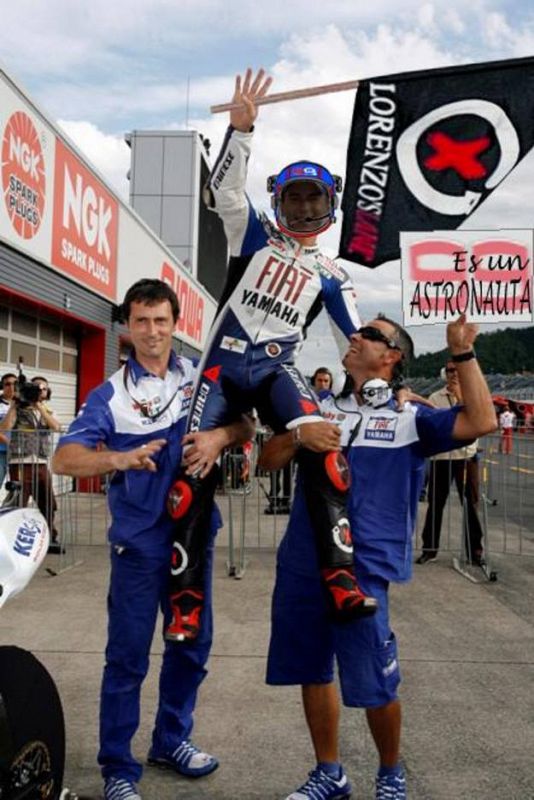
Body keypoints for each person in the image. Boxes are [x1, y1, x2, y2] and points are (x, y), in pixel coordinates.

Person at [165, 68, 377, 643]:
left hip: (277, 368)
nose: (305, 206)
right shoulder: (254, 234)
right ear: (279, 199)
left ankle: (341, 578)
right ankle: (183, 603)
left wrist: (386, 383)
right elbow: (224, 194)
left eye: (314, 197)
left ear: (330, 202)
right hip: (221, 366)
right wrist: (244, 131)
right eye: (294, 196)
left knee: (327, 450)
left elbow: (355, 345)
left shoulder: (334, 274)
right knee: (191, 469)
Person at [260, 313, 497, 800]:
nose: (355, 336)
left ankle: (390, 774)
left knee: (375, 679)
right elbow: (267, 459)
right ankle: (330, 773)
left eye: (368, 335)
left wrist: (461, 352)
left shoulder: (411, 417)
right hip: (305, 558)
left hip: (365, 566)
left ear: (392, 357)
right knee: (311, 668)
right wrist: (301, 435)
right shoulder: (318, 407)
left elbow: (481, 420)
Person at [52, 279, 254, 800]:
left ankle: (171, 739)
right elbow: (64, 459)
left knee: (191, 645)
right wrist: (117, 458)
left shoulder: (201, 379)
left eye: (161, 320)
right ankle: (118, 768)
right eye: (141, 321)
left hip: (195, 537)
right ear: (127, 326)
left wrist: (219, 436)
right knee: (128, 657)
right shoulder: (111, 394)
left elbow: (246, 425)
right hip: (140, 546)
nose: (151, 331)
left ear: (176, 323)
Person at [415, 360, 486, 566]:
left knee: (471, 505)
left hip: (466, 458)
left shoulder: (473, 395)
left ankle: (475, 551)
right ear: (444, 374)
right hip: (442, 458)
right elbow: (433, 424)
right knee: (436, 504)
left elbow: (478, 419)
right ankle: (429, 549)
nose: (453, 374)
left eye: (456, 370)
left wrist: (461, 397)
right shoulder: (435, 397)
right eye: (449, 370)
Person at [0, 372, 63, 553]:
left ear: (46, 392)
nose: (39, 390)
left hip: (41, 462)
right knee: (18, 503)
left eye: (43, 388)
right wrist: (14, 406)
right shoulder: (17, 409)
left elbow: (56, 427)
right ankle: (11, 540)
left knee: (47, 502)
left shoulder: (47, 410)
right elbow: (4, 428)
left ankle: (51, 538)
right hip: (20, 462)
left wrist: (39, 407)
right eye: (36, 387)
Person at [0, 373, 17, 487]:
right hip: (1, 452)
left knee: (18, 488)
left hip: (18, 454)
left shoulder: (23, 404)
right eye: (8, 384)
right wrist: (9, 443)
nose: (11, 387)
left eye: (15, 384)